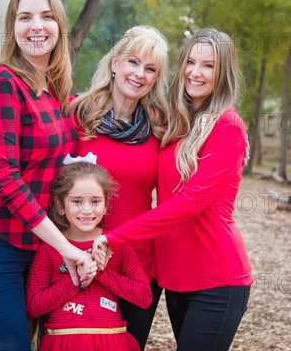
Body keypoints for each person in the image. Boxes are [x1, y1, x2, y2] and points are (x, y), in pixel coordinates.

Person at [93, 28, 253, 351]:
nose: (196, 72)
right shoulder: (174, 123)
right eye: (191, 62)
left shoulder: (228, 125)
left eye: (208, 66)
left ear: (222, 74)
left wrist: (115, 237)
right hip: (176, 279)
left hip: (217, 278)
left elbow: (189, 203)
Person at [0, 0, 96, 351]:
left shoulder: (53, 90)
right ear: (13, 28)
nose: (37, 26)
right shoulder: (3, 82)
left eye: (47, 16)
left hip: (38, 247)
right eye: (25, 17)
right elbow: (5, 176)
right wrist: (67, 247)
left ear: (59, 27)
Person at [69, 25, 169, 350]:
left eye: (150, 68)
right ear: (114, 63)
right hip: (79, 259)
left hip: (137, 265)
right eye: (133, 62)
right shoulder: (76, 114)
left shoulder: (160, 128)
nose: (139, 74)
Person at [26, 158, 152, 351]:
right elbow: (34, 306)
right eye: (76, 201)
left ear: (106, 204)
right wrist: (76, 279)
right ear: (60, 205)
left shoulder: (117, 246)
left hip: (111, 343)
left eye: (95, 201)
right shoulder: (50, 247)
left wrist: (100, 272)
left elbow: (143, 297)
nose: (86, 209)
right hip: (63, 343)